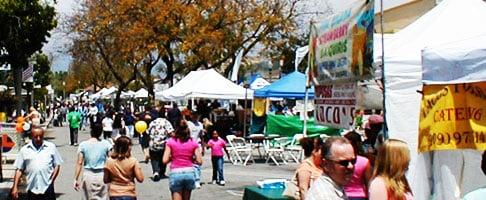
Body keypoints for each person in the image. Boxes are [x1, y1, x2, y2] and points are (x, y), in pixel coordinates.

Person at [10, 126, 63, 199]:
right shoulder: (24, 150)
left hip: (47, 188)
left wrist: (52, 180)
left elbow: (57, 165)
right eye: (36, 137)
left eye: (41, 136)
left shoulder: (51, 147)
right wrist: (15, 187)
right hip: (32, 188)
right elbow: (19, 169)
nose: (38, 139)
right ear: (31, 136)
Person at [163, 120, 202, 200]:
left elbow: (164, 160)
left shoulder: (170, 142)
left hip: (176, 172)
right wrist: (191, 158)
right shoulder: (193, 142)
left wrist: (173, 157)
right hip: (189, 171)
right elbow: (199, 161)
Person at [74, 124, 112, 199]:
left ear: (91, 131)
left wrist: (76, 179)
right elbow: (111, 160)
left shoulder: (83, 145)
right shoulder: (106, 144)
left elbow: (79, 162)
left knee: (87, 197)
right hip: (102, 175)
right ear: (101, 132)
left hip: (88, 175)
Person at [344, 131, 372, 200]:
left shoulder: (340, 161)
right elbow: (368, 183)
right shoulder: (364, 161)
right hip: (360, 195)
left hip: (343, 194)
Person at [147, 116, 174, 181]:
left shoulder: (152, 122)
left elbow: (148, 132)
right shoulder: (166, 122)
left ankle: (156, 172)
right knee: (163, 157)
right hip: (163, 143)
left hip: (153, 143)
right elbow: (171, 132)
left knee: (154, 159)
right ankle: (162, 172)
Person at [187, 113, 204, 188]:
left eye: (197, 115)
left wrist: (203, 147)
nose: (196, 117)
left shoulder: (200, 124)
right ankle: (191, 179)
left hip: (198, 145)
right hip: (189, 145)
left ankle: (197, 180)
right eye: (194, 115)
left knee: (198, 163)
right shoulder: (188, 124)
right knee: (190, 163)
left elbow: (202, 136)